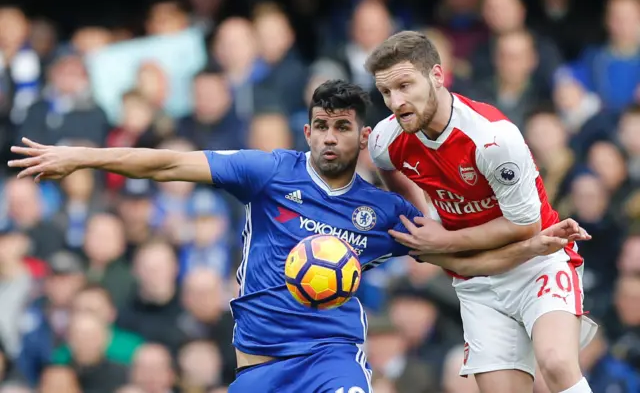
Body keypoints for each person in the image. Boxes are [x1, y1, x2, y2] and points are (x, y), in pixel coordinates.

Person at [8, 80, 589, 393]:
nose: (329, 138)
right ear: (305, 131)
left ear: (363, 138)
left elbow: (461, 257)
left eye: (342, 128)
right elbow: (166, 164)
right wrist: (81, 157)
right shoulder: (268, 174)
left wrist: (533, 247)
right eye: (321, 127)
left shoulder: (382, 212)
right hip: (259, 368)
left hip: (331, 361)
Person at [365, 31, 598, 393]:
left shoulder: (492, 138)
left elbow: (526, 226)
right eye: (386, 92)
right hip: (477, 284)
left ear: (437, 76)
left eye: (405, 85)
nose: (396, 102)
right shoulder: (386, 139)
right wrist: (417, 212)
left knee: (555, 362)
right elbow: (387, 165)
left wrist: (444, 239)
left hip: (537, 262)